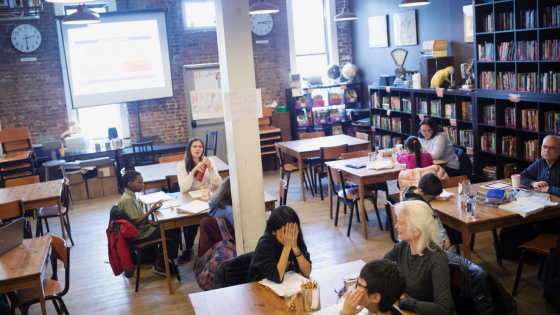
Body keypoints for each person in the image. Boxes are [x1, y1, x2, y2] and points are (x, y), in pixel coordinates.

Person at [384, 200, 456, 315]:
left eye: (400, 223)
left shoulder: (436, 259)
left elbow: (442, 308)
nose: (396, 226)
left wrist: (403, 302)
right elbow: (380, 267)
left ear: (416, 230)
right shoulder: (403, 246)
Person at [118, 170, 181, 277]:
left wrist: (159, 224)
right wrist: (151, 210)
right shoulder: (128, 200)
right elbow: (135, 223)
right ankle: (164, 263)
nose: (143, 185)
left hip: (143, 230)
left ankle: (162, 260)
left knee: (170, 227)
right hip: (140, 234)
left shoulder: (132, 196)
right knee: (174, 231)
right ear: (130, 183)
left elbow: (144, 220)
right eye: (140, 182)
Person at [176, 137, 223, 264]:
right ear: (189, 149)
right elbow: (183, 188)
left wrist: (211, 169)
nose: (198, 149)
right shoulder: (182, 165)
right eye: (194, 146)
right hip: (190, 198)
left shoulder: (208, 161)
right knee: (192, 220)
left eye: (200, 146)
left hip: (205, 196)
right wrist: (193, 171)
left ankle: (212, 246)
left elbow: (218, 182)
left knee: (212, 216)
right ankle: (189, 248)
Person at [248, 206, 311, 283]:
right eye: (285, 231)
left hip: (287, 288)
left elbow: (307, 272)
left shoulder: (296, 239)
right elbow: (277, 277)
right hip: (260, 289)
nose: (289, 236)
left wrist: (295, 247)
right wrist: (287, 247)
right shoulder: (265, 245)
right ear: (273, 231)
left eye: (292, 231)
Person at [401, 173, 462, 250]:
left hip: (420, 235)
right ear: (420, 191)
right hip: (420, 240)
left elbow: (434, 219)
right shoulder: (418, 206)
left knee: (452, 231)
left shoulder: (410, 192)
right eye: (431, 199)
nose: (431, 201)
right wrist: (445, 240)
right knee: (456, 234)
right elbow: (433, 223)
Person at [340, 260, 406, 315]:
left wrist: (345, 313)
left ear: (375, 297)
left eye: (359, 284)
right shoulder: (391, 309)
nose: (354, 287)